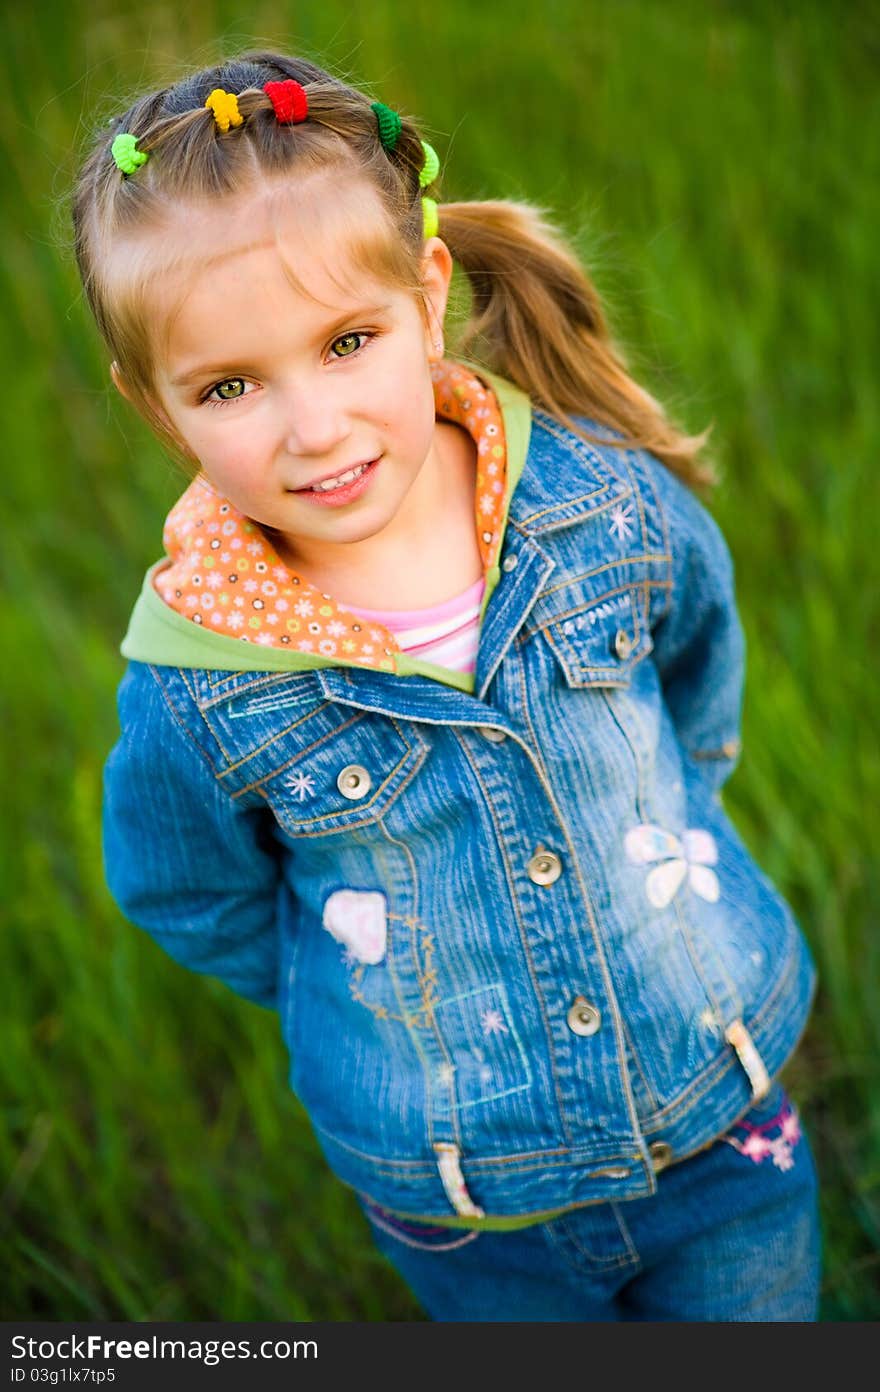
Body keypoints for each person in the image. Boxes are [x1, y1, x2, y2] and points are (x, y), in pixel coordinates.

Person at [74, 49, 821, 1321]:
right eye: (232, 386)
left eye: (347, 342)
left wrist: (666, 830)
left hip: (716, 1107)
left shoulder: (594, 509)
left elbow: (694, 662)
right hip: (461, 1199)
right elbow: (188, 888)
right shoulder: (201, 682)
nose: (311, 426)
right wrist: (353, 974)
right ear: (157, 408)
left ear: (427, 301)